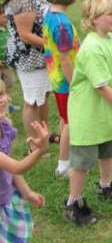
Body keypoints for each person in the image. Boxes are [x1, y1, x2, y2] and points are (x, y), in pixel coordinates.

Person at [64, 0, 112, 226]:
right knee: (83, 161)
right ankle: (73, 203)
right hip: (88, 113)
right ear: (94, 19)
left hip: (108, 111)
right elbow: (101, 87)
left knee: (108, 149)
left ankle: (106, 186)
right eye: (109, 14)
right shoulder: (91, 47)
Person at [3, 0, 54, 152]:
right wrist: (53, 46)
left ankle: (44, 136)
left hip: (40, 56)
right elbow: (25, 35)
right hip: (29, 59)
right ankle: (35, 146)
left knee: (42, 96)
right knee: (32, 101)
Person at [0, 82, 49, 242]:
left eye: (2, 94)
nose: (3, 100)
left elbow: (11, 169)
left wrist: (27, 192)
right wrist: (40, 150)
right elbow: (18, 167)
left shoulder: (3, 126)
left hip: (5, 197)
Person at [42, 0, 80, 178]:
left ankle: (64, 157)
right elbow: (65, 59)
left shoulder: (50, 16)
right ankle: (64, 164)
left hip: (56, 79)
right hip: (66, 81)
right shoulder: (62, 24)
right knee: (69, 122)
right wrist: (74, 83)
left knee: (64, 118)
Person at [0, 5, 18, 114]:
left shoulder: (8, 29)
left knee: (9, 83)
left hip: (7, 65)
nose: (6, 19)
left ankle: (8, 105)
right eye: (3, 17)